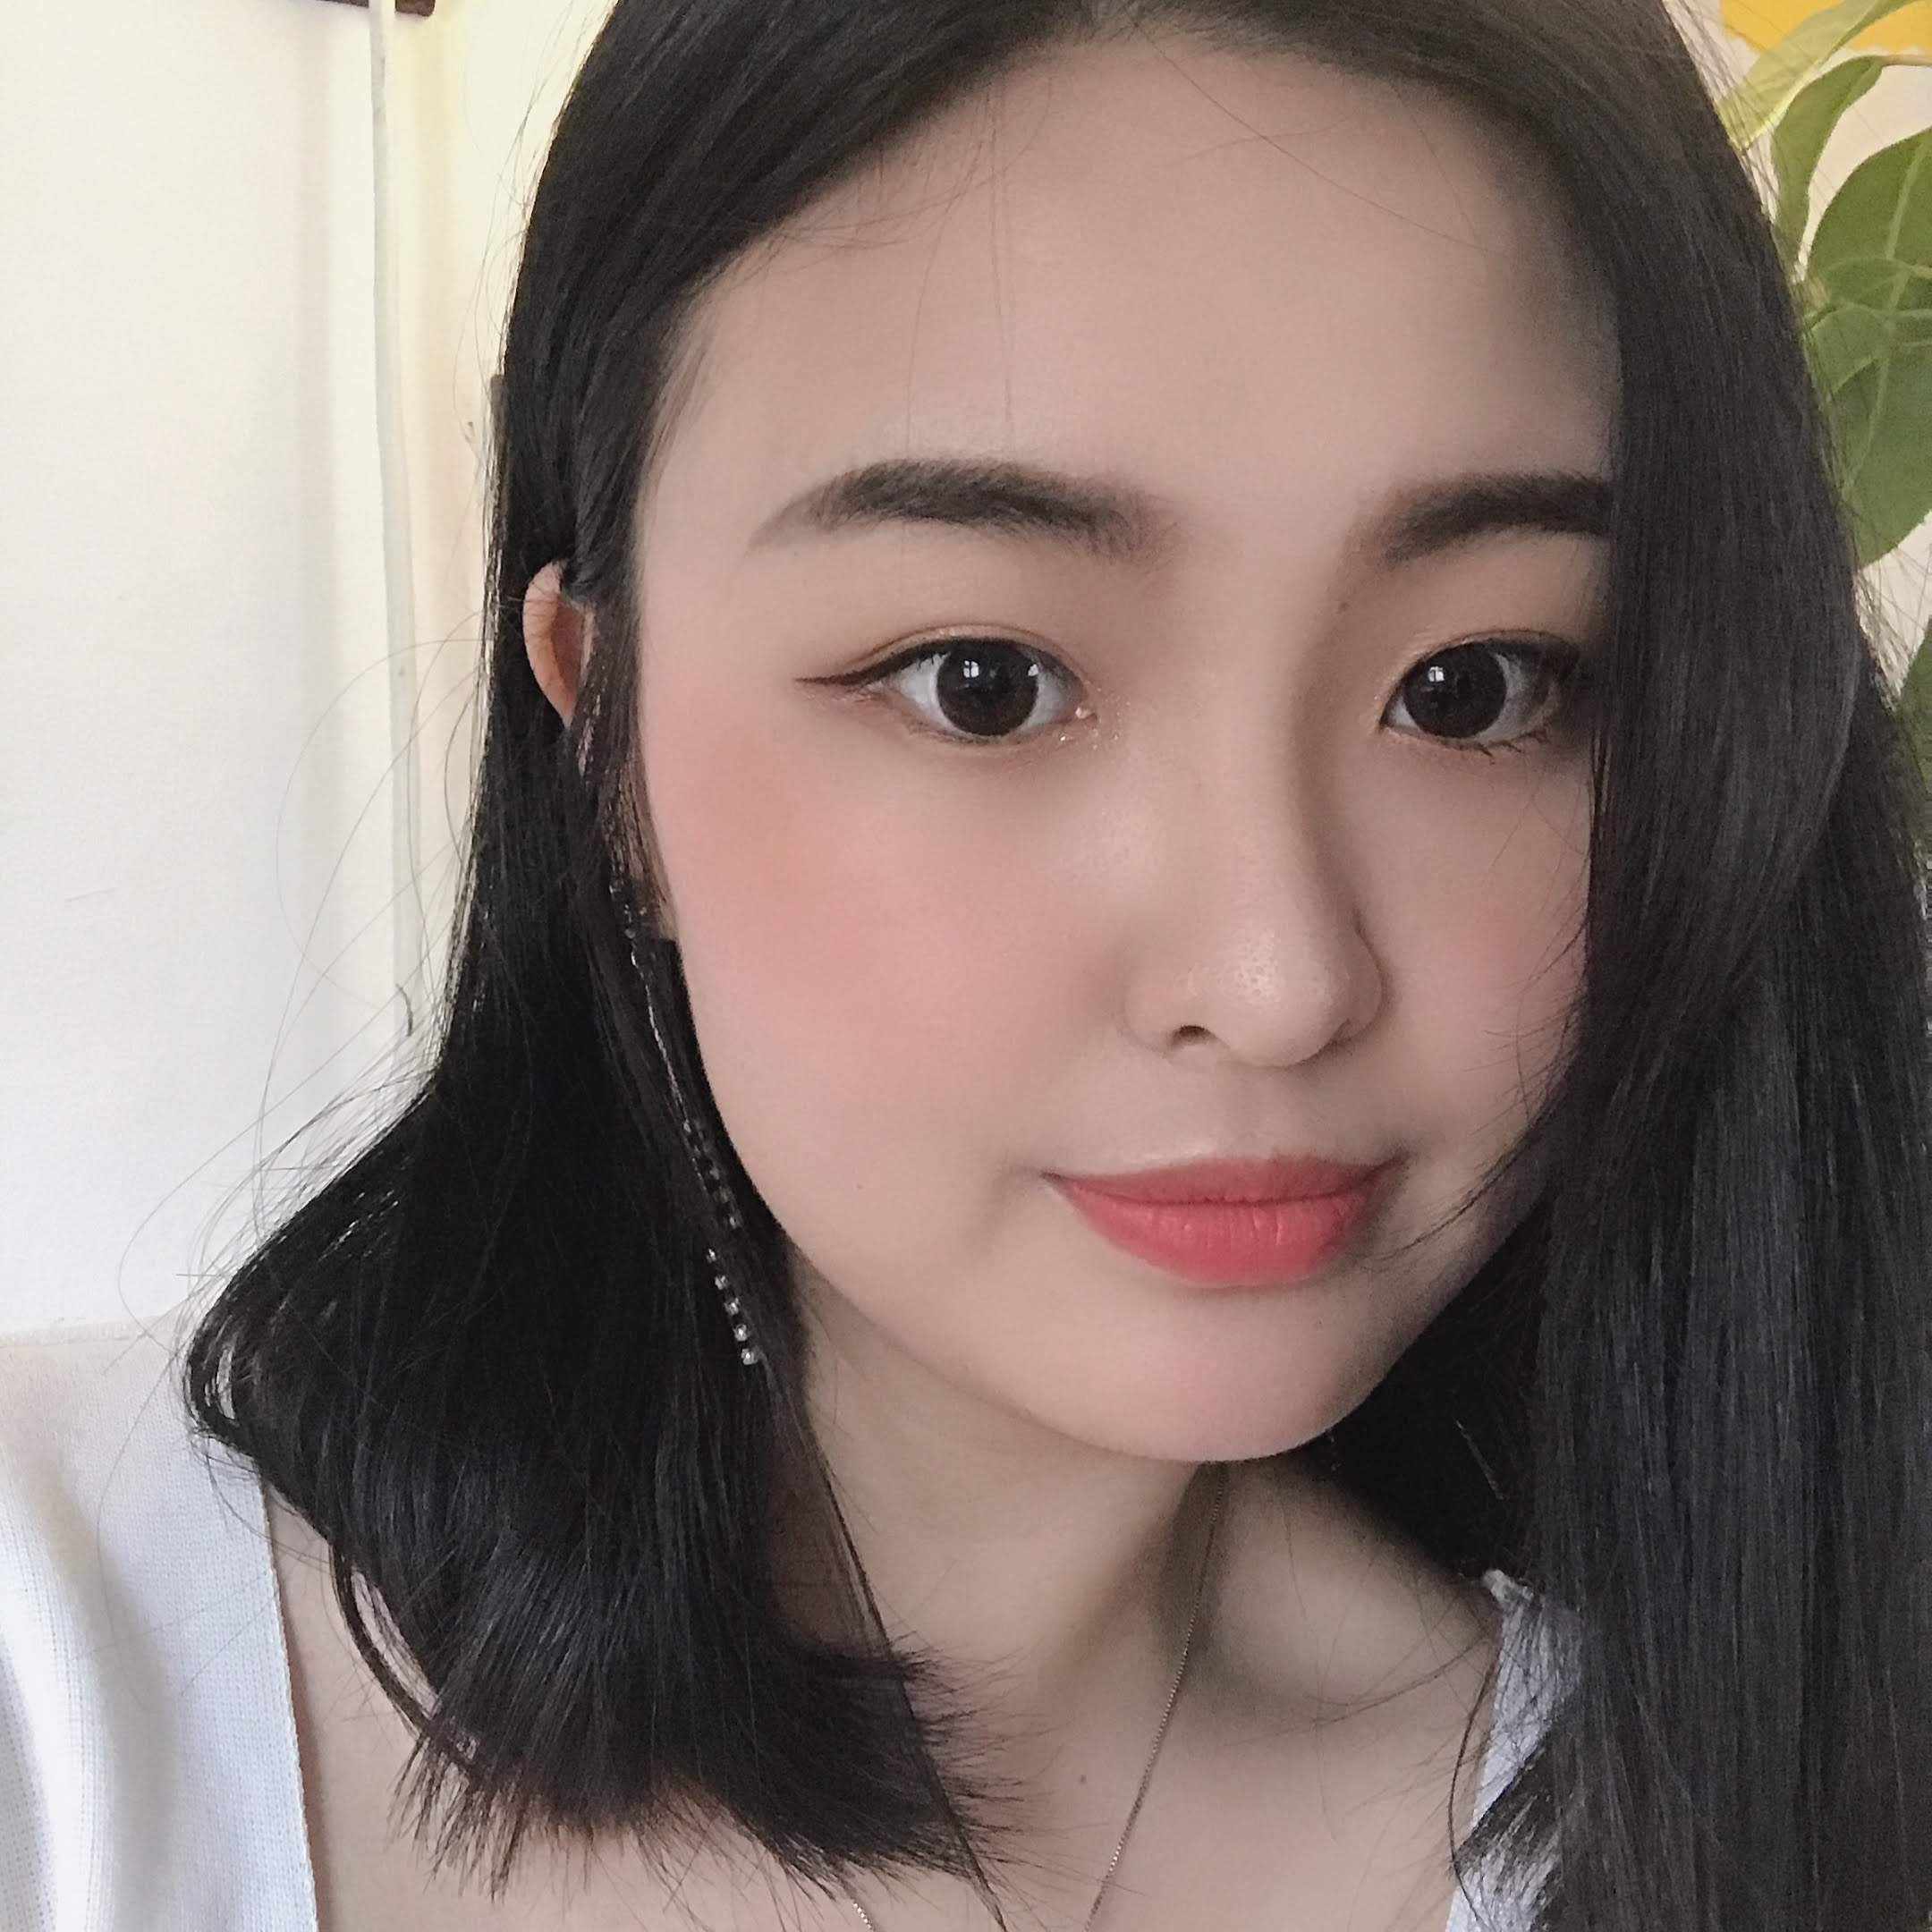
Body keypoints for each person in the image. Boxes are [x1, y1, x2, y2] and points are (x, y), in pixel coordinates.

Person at [5, 1, 1929, 1928]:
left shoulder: (1742, 1813)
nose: (1277, 977)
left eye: (1475, 688)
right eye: (986, 684)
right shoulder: (62, 1672)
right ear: (608, 754)